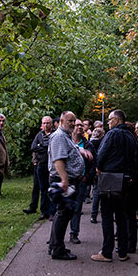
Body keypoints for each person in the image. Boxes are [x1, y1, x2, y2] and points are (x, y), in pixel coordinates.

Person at [92, 109, 138, 262]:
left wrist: (99, 166)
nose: (108, 123)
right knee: (122, 217)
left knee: (107, 216)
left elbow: (102, 153)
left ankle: (106, 252)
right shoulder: (130, 136)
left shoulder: (112, 134)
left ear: (116, 120)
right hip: (125, 178)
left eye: (109, 120)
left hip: (110, 177)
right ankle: (123, 251)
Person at [48, 111, 85, 260]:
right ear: (62, 120)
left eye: (74, 121)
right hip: (62, 179)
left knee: (63, 213)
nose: (73, 123)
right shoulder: (59, 136)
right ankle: (57, 249)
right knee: (64, 214)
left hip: (66, 179)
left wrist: (81, 151)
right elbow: (58, 160)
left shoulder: (65, 136)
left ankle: (55, 245)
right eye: (70, 121)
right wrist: (65, 181)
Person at [68, 119, 95, 244]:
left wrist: (87, 177)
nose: (79, 127)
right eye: (77, 125)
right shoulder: (66, 142)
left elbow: (93, 163)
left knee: (77, 207)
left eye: (81, 125)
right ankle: (56, 236)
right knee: (63, 208)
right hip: (68, 179)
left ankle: (74, 233)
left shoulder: (88, 145)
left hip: (81, 180)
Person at [25, 115, 53, 219]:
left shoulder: (54, 135)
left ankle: (51, 211)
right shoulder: (39, 135)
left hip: (51, 165)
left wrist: (41, 146)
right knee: (43, 189)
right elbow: (33, 147)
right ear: (42, 124)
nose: (46, 125)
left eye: (48, 123)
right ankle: (44, 211)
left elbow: (52, 147)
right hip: (41, 165)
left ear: (51, 124)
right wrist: (44, 147)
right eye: (44, 123)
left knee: (51, 188)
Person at [88, 126, 105, 224]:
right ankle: (101, 213)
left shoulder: (89, 143)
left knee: (95, 193)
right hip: (99, 170)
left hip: (93, 170)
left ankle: (93, 215)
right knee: (100, 193)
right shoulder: (101, 143)